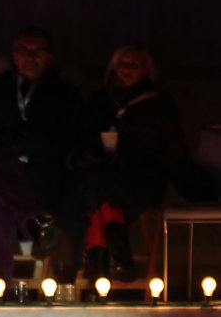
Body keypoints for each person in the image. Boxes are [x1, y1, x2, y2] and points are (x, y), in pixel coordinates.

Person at [62, 42, 210, 280]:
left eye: (133, 64)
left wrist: (195, 185)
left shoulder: (160, 104)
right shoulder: (100, 102)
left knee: (99, 185)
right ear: (113, 68)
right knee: (94, 181)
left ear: (146, 69)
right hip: (103, 172)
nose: (127, 69)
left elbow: (174, 149)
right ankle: (117, 253)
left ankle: (98, 259)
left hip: (141, 177)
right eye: (122, 64)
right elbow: (83, 138)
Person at [0, 27, 83, 288]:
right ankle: (36, 222)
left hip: (43, 179)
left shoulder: (64, 94)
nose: (31, 57)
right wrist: (3, 142)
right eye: (24, 51)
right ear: (14, 56)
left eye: (38, 52)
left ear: (49, 57)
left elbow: (72, 140)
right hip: (3, 173)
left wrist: (31, 145)